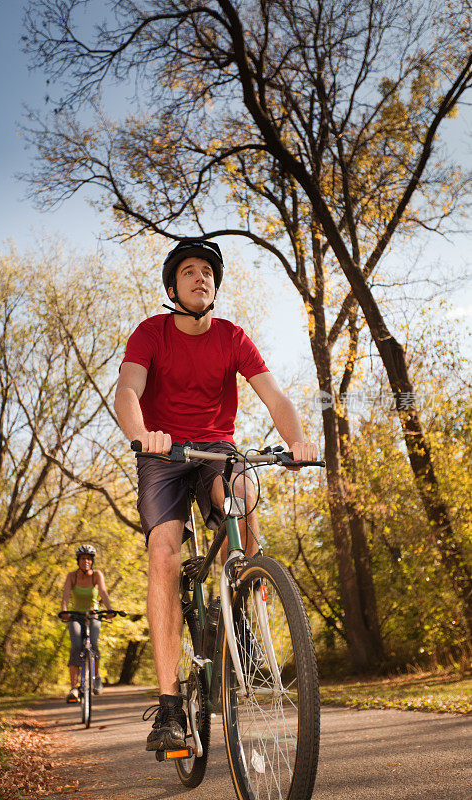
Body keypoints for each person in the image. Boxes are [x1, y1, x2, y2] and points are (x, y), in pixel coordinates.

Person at [114, 238, 317, 751]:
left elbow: (275, 397)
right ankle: (168, 708)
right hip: (163, 455)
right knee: (164, 552)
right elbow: (128, 391)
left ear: (215, 286)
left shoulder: (232, 337)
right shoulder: (150, 333)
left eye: (207, 271)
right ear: (172, 288)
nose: (200, 277)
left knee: (244, 503)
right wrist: (143, 435)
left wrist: (296, 440)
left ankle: (237, 621)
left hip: (216, 450)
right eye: (188, 271)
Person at [60, 544, 115, 702]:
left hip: (93, 615)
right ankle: (74, 688)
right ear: (78, 560)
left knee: (94, 644)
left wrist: (109, 609)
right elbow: (65, 594)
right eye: (83, 558)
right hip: (76, 616)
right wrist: (64, 611)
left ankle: (96, 678)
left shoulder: (96, 575)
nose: (86, 561)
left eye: (89, 559)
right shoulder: (72, 576)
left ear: (92, 561)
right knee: (76, 646)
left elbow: (103, 592)